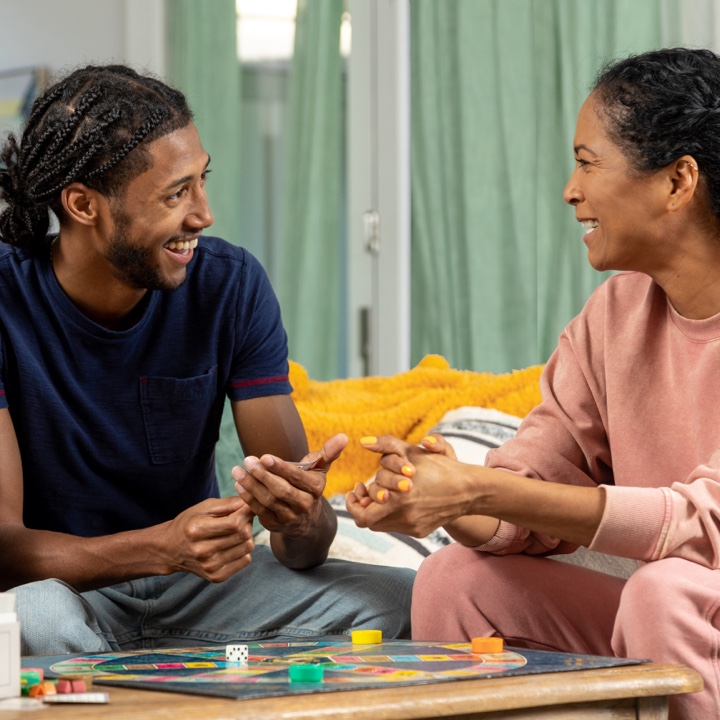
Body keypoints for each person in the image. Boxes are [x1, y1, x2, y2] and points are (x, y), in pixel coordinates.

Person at [346, 47, 720, 719]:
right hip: (670, 612)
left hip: (680, 605)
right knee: (454, 581)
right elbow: (536, 488)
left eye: (586, 162)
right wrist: (443, 496)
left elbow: (706, 524)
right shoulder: (612, 318)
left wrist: (482, 488)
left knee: (661, 592)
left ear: (677, 181)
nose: (570, 190)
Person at [0, 63, 413, 655]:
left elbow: (304, 549)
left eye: (202, 180)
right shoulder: (6, 299)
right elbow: (3, 550)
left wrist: (300, 517)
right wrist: (160, 546)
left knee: (407, 600)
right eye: (176, 193)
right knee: (35, 619)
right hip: (66, 586)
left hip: (199, 588)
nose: (203, 214)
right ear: (83, 204)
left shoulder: (230, 285)